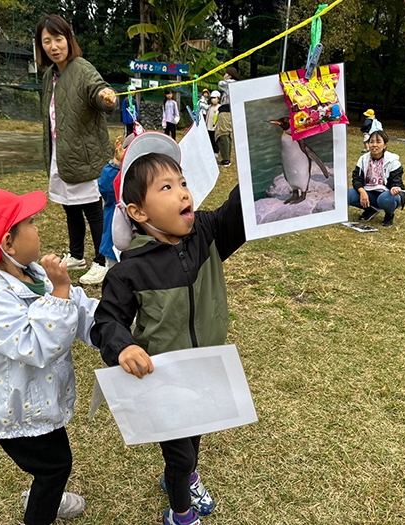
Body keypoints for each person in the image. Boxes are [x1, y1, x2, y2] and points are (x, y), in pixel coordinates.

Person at [90, 132, 246, 525]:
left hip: (204, 369)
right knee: (179, 454)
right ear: (138, 212)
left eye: (183, 183)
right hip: (165, 381)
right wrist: (123, 347)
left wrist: (266, 152)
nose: (183, 193)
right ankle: (181, 514)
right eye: (166, 187)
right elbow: (107, 320)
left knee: (195, 437)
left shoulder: (207, 234)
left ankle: (186, 475)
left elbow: (242, 209)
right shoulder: (130, 270)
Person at [0, 188, 98, 525]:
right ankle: (43, 505)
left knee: (51, 462)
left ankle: (46, 491)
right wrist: (60, 292)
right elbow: (38, 345)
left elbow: (79, 308)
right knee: (55, 466)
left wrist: (111, 326)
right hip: (16, 412)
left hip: (38, 402)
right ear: (8, 243)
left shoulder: (34, 274)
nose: (37, 228)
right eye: (30, 222)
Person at [36, 14, 117, 286]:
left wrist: (105, 98)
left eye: (58, 39)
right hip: (61, 154)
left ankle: (103, 261)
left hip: (85, 155)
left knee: (93, 210)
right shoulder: (49, 75)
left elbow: (98, 90)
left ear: (68, 39)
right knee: (70, 208)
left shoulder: (82, 68)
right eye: (47, 41)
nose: (53, 46)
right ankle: (76, 255)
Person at [348, 130, 405, 227]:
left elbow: (396, 181)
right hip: (370, 192)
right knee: (347, 195)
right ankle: (370, 209)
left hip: (387, 194)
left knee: (385, 199)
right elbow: (356, 179)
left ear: (385, 145)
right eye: (371, 142)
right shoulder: (363, 159)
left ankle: (389, 215)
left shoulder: (393, 161)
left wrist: (395, 188)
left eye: (378, 142)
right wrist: (362, 192)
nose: (374, 145)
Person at [97, 135, 129, 272]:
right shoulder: (117, 175)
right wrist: (116, 163)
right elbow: (106, 188)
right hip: (114, 245)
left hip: (142, 247)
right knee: (115, 276)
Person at [214, 98, 233, 168]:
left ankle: (226, 160)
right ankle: (226, 159)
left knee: (223, 135)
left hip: (224, 113)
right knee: (226, 136)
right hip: (226, 112)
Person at [205, 91, 220, 157]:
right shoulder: (209, 107)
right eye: (212, 98)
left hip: (215, 128)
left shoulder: (219, 107)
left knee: (215, 140)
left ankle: (216, 151)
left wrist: (216, 126)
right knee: (210, 139)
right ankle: (210, 151)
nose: (213, 99)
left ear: (218, 99)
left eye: (214, 98)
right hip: (208, 126)